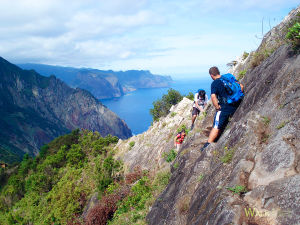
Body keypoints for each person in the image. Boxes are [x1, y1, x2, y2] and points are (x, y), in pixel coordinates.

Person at [200, 66, 244, 151]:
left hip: (225, 107)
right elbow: (241, 86)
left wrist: (217, 108)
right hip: (236, 104)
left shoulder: (215, 83)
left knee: (216, 125)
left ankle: (207, 145)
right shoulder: (228, 77)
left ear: (211, 75)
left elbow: (213, 97)